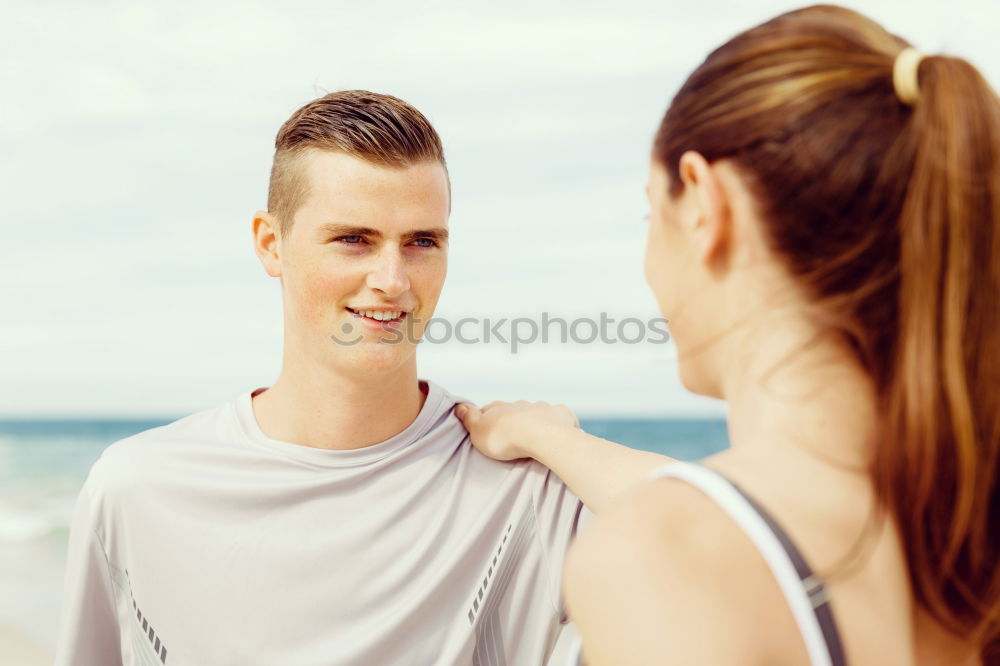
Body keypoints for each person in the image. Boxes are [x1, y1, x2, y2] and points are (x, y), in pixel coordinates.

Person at [457, 5, 999, 664]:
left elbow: (705, 529)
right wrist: (549, 439)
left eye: (651, 213)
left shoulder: (659, 556)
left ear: (705, 205)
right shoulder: (950, 530)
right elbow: (742, 509)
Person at [53, 91, 590, 666]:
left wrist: (566, 446)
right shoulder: (136, 490)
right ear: (270, 243)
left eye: (422, 242)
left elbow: (699, 538)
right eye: (354, 239)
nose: (392, 279)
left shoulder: (533, 493)